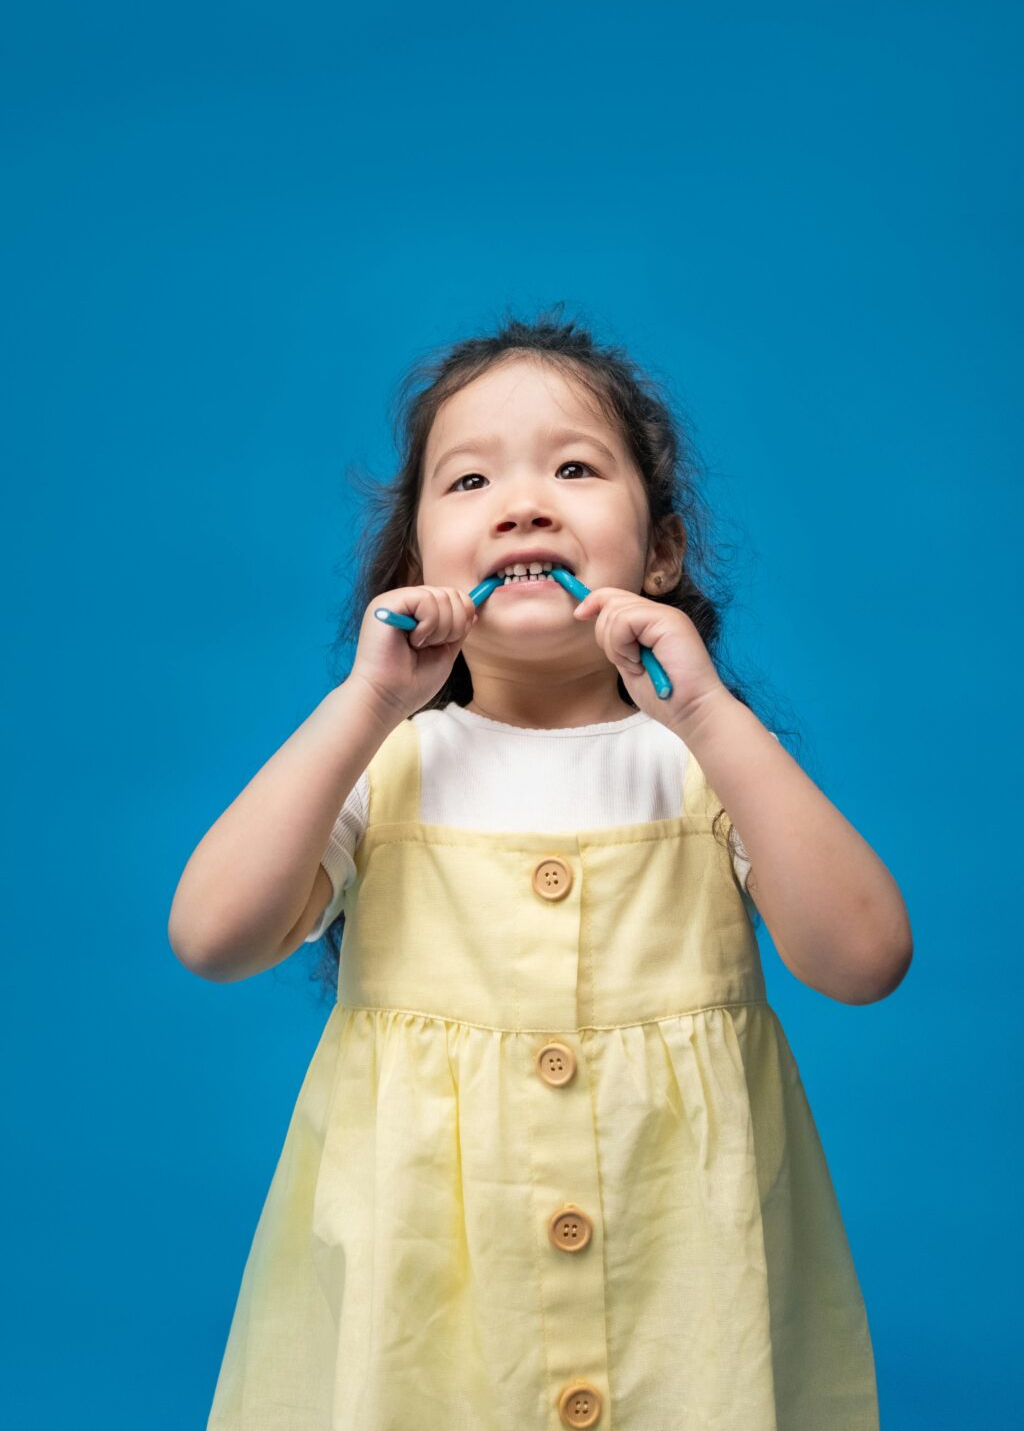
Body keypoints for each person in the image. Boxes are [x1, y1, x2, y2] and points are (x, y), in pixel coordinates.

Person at [171, 309, 912, 1430]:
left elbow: (864, 958)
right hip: (426, 1313)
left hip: (679, 1294)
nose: (522, 501)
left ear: (658, 552)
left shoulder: (703, 764)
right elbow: (212, 936)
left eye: (574, 468)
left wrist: (709, 713)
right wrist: (365, 702)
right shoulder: (381, 765)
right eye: (468, 482)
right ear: (417, 564)